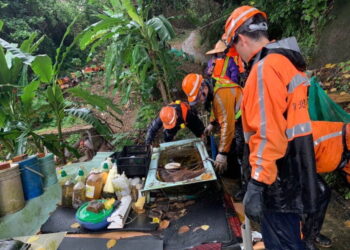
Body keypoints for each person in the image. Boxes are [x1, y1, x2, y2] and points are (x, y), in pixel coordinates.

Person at [223, 6, 318, 249]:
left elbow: (268, 133)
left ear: (241, 39)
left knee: (281, 242)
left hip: (277, 180)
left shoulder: (264, 69)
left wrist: (256, 184)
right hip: (295, 168)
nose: (238, 56)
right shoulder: (287, 62)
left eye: (234, 49)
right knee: (292, 239)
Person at [182, 73, 243, 177]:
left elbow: (227, 125)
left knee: (241, 150)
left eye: (198, 97)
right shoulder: (213, 86)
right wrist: (212, 123)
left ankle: (243, 179)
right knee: (232, 146)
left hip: (245, 119)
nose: (200, 101)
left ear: (203, 87)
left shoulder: (221, 95)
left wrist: (223, 153)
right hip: (236, 117)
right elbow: (216, 108)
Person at [303, 121, 350, 250]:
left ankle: (312, 233)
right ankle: (306, 238)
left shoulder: (347, 146)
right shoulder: (325, 136)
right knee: (319, 192)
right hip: (291, 162)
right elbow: (298, 160)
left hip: (308, 167)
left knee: (321, 192)